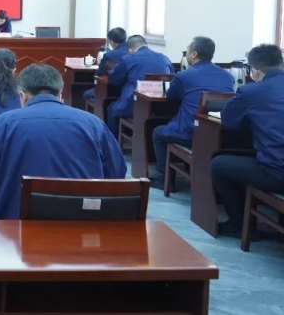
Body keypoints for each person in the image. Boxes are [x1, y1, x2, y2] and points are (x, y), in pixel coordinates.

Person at [0, 64, 127, 219]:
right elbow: (116, 175)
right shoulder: (94, 125)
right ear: (60, 95)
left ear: (22, 96)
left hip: (14, 227)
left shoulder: (1, 125)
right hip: (82, 225)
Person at [212, 44, 284, 238]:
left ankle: (239, 224)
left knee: (218, 164)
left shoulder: (251, 91)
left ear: (254, 71)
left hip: (276, 172)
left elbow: (229, 122)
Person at [150, 37, 234, 190]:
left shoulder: (184, 76)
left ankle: (164, 178)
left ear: (194, 54)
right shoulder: (227, 75)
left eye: (187, 51)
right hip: (218, 132)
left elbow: (170, 97)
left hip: (191, 132)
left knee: (158, 132)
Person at [106, 35, 174, 139]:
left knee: (111, 108)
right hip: (161, 107)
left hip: (133, 104)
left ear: (130, 49)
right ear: (146, 44)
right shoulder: (164, 58)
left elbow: (114, 79)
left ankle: (113, 143)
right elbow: (172, 79)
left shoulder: (128, 59)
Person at [82, 27, 128, 100]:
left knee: (86, 94)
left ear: (112, 41)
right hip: (127, 89)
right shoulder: (132, 53)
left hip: (110, 89)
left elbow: (99, 73)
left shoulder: (109, 55)